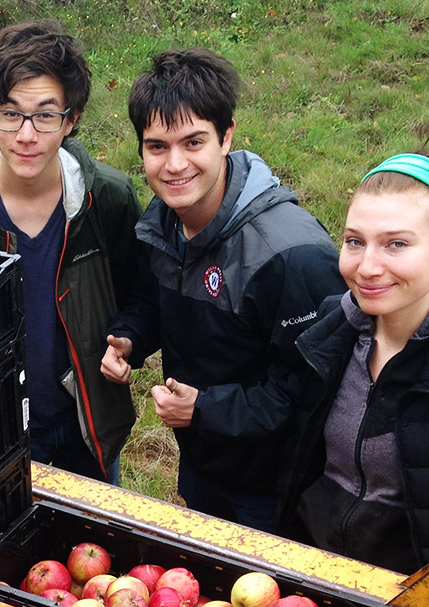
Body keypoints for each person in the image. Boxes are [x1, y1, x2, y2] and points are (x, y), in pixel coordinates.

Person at [191, 152, 429, 573]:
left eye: (396, 244)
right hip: (317, 581)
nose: (367, 267)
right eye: (355, 241)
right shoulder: (329, 331)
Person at [102, 49, 345, 529]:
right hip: (205, 463)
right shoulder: (164, 222)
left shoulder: (292, 255)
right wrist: (130, 336)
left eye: (193, 142)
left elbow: (312, 392)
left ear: (226, 135)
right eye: (157, 147)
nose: (174, 165)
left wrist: (205, 410)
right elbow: (159, 298)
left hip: (278, 488)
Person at [0, 20, 141, 483]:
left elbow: (139, 294)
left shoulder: (110, 200)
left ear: (72, 118)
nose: (25, 134)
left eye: (45, 115)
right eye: (10, 113)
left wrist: (128, 337)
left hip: (87, 425)